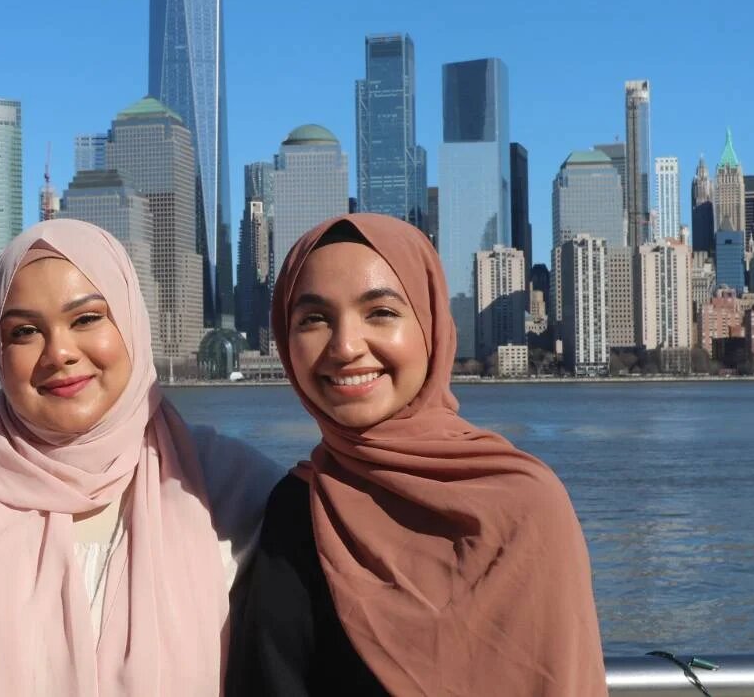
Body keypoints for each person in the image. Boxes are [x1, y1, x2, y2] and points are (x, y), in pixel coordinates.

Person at [0, 219, 281, 696]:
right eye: (25, 331)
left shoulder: (227, 485)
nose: (59, 353)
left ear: (131, 322)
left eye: (87, 319)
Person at [226, 214, 604, 696]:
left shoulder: (527, 507)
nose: (345, 347)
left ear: (430, 327)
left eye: (380, 312)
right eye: (314, 319)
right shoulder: (298, 509)